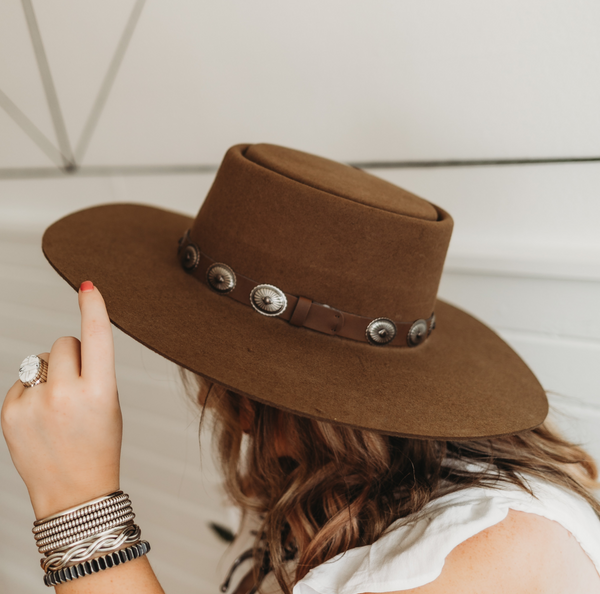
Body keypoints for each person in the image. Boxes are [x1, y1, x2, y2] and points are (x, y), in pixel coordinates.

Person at [2, 143, 600, 594]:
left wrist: (76, 503)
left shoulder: (491, 552)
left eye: (231, 379)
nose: (212, 401)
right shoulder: (340, 489)